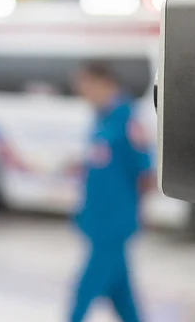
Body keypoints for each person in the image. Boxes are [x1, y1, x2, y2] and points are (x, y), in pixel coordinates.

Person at [69, 63, 154, 322]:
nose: (83, 94)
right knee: (121, 293)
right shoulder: (101, 118)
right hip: (96, 218)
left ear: (104, 82)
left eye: (86, 87)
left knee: (85, 289)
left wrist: (134, 211)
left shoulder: (127, 120)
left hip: (114, 223)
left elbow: (146, 174)